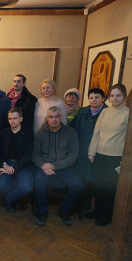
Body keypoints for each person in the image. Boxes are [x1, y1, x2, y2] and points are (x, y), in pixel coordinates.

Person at [32, 106, 82, 226]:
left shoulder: (70, 132)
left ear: (61, 118)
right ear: (47, 119)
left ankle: (64, 211)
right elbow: (35, 155)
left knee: (77, 185)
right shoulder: (39, 133)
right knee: (39, 182)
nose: (54, 119)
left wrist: (54, 166)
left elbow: (73, 155)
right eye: (51, 117)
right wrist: (44, 166)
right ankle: (42, 211)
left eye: (57, 116)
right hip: (44, 166)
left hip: (64, 166)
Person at [87, 84, 129, 226]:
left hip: (116, 158)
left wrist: (125, 160)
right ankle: (97, 211)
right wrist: (92, 152)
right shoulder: (105, 112)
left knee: (110, 189)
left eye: (118, 95)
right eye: (112, 95)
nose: (115, 98)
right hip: (99, 155)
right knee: (98, 186)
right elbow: (96, 133)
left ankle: (106, 215)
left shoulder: (128, 113)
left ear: (124, 97)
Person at [70, 88, 107, 210]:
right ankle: (76, 202)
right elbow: (73, 130)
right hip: (80, 151)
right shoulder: (82, 112)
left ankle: (86, 204)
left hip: (96, 153)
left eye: (97, 97)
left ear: (103, 99)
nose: (94, 100)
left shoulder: (107, 113)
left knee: (91, 180)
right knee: (79, 177)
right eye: (91, 97)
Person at [0, 108, 34, 213]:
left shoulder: (28, 133)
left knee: (27, 187)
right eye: (10, 118)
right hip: (6, 163)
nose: (12, 121)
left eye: (15, 118)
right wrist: (4, 165)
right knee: (1, 185)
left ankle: (9, 198)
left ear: (21, 119)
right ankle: (15, 198)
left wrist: (14, 168)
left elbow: (28, 156)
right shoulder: (3, 133)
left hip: (22, 164)